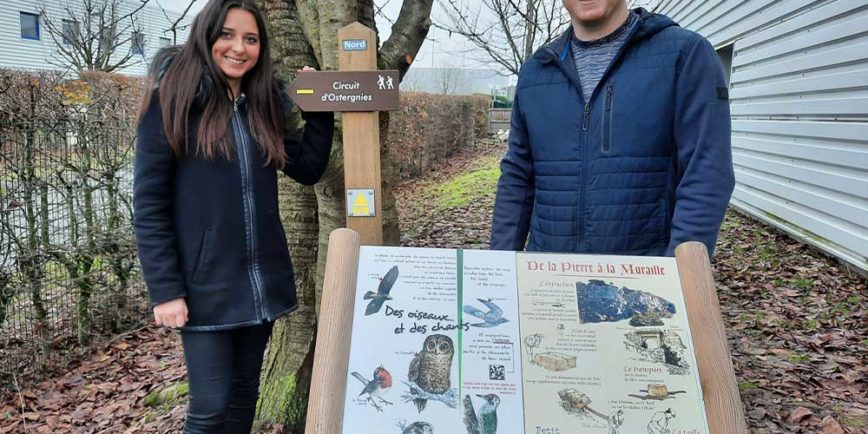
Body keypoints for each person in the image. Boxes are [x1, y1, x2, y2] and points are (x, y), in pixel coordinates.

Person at [133, 0, 334, 432]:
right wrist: (165, 290)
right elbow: (149, 206)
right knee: (209, 408)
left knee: (244, 399)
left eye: (250, 38)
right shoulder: (171, 102)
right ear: (206, 36)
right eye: (227, 34)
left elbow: (307, 167)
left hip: (258, 287)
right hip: (205, 289)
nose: (238, 48)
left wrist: (319, 111)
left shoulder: (262, 104)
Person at [491, 0, 734, 257]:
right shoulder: (535, 73)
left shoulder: (684, 55)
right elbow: (517, 179)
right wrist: (499, 269)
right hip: (550, 279)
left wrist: (677, 275)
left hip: (644, 278)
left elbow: (706, 172)